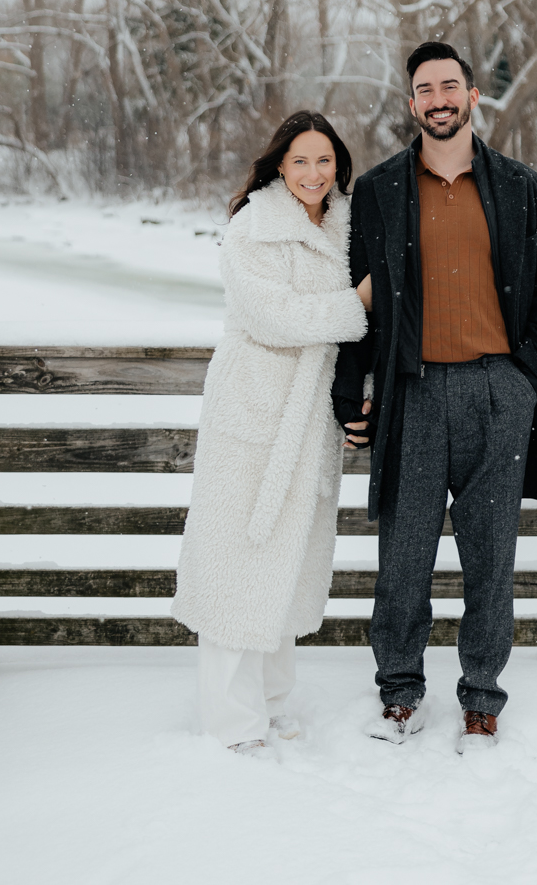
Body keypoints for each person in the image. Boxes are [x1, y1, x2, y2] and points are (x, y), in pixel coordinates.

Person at [332, 43, 537, 753]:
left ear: (472, 96)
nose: (438, 98)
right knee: (402, 554)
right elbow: (356, 307)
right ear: (412, 104)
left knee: (490, 556)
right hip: (413, 392)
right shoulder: (378, 191)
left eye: (449, 86)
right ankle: (401, 693)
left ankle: (481, 699)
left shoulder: (521, 187)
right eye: (424, 89)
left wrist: (524, 377)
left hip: (499, 395)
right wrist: (354, 396)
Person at [173, 111, 371, 756]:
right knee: (236, 559)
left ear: (338, 163)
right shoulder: (251, 228)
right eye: (300, 161)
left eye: (324, 160)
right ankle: (231, 721)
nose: (314, 174)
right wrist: (359, 306)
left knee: (288, 562)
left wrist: (357, 398)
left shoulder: (349, 225)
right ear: (279, 166)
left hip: (310, 412)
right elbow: (273, 316)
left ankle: (272, 702)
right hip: (255, 409)